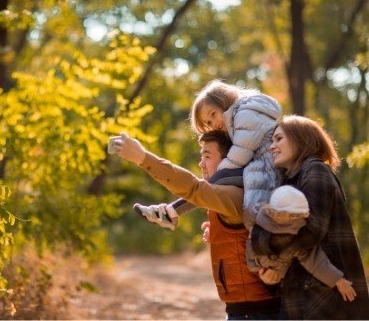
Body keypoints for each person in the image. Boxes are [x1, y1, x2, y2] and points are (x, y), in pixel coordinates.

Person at [110, 130, 281, 319]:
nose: (201, 164)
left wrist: (142, 157)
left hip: (255, 312)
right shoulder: (233, 193)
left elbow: (193, 188)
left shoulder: (235, 194)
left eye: (207, 156)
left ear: (228, 162)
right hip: (245, 309)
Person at [251, 115, 369, 319]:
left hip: (326, 297)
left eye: (279, 139)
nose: (272, 147)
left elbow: (311, 231)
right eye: (272, 141)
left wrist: (272, 255)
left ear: (301, 139)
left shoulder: (315, 170)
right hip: (306, 292)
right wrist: (272, 268)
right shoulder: (292, 179)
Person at [134, 80, 282, 230]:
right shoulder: (243, 116)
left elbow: (240, 153)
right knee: (212, 184)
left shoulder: (245, 115)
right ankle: (170, 212)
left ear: (225, 102)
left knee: (215, 181)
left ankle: (170, 212)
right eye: (208, 123)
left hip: (266, 167)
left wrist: (220, 171)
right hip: (263, 166)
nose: (213, 123)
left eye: (213, 114)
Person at [244, 185, 357, 302]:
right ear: (278, 214)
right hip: (259, 277)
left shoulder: (297, 237)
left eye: (304, 215)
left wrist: (337, 280)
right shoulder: (256, 220)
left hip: (278, 279)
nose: (303, 220)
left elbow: (315, 260)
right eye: (297, 216)